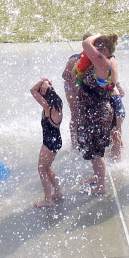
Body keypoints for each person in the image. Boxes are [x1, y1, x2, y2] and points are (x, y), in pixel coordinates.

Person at [75, 34, 120, 194]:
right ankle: (96, 176)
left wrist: (96, 35)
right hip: (95, 110)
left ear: (104, 50)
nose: (92, 51)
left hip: (97, 113)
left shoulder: (103, 62)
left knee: (97, 152)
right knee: (95, 150)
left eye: (97, 48)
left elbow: (85, 43)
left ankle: (101, 186)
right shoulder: (110, 59)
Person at [30, 78, 64, 207]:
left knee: (41, 169)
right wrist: (47, 82)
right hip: (56, 140)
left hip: (49, 142)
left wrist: (42, 81)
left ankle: (48, 200)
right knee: (47, 168)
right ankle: (58, 193)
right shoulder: (57, 102)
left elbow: (32, 90)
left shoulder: (47, 106)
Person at [61, 54, 84, 153]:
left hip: (82, 87)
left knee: (85, 113)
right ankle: (74, 143)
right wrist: (75, 82)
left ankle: (84, 139)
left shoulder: (96, 58)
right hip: (70, 86)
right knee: (75, 113)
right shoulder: (74, 59)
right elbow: (64, 75)